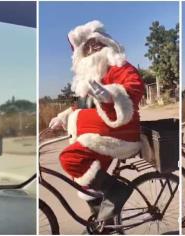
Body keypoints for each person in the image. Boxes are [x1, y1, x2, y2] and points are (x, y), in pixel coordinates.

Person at [49, 20, 145, 221]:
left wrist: (111, 95)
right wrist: (63, 116)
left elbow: (135, 87)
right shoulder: (90, 76)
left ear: (107, 43)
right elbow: (85, 104)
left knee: (71, 159)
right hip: (96, 135)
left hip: (116, 134)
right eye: (87, 46)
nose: (93, 48)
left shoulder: (119, 66)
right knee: (85, 182)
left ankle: (117, 190)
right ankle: (104, 224)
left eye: (96, 42)